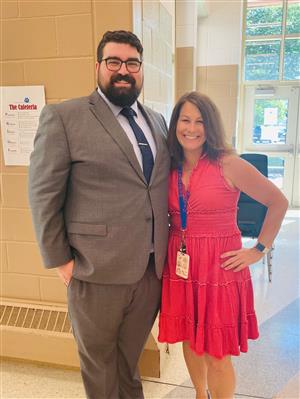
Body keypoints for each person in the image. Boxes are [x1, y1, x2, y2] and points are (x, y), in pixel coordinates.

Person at [29, 30, 170, 399]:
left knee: (129, 363)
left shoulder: (156, 121)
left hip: (150, 272)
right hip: (94, 272)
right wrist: (60, 259)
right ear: (98, 67)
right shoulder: (64, 117)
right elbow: (43, 192)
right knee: (99, 367)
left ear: (141, 70)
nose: (123, 70)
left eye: (132, 63)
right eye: (114, 62)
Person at [158, 91, 288, 399]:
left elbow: (278, 202)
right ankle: (199, 395)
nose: (191, 128)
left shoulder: (229, 164)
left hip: (219, 267)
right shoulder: (169, 167)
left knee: (217, 355)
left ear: (210, 126)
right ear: (176, 124)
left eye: (199, 121)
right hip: (181, 262)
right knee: (188, 340)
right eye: (185, 120)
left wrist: (258, 250)